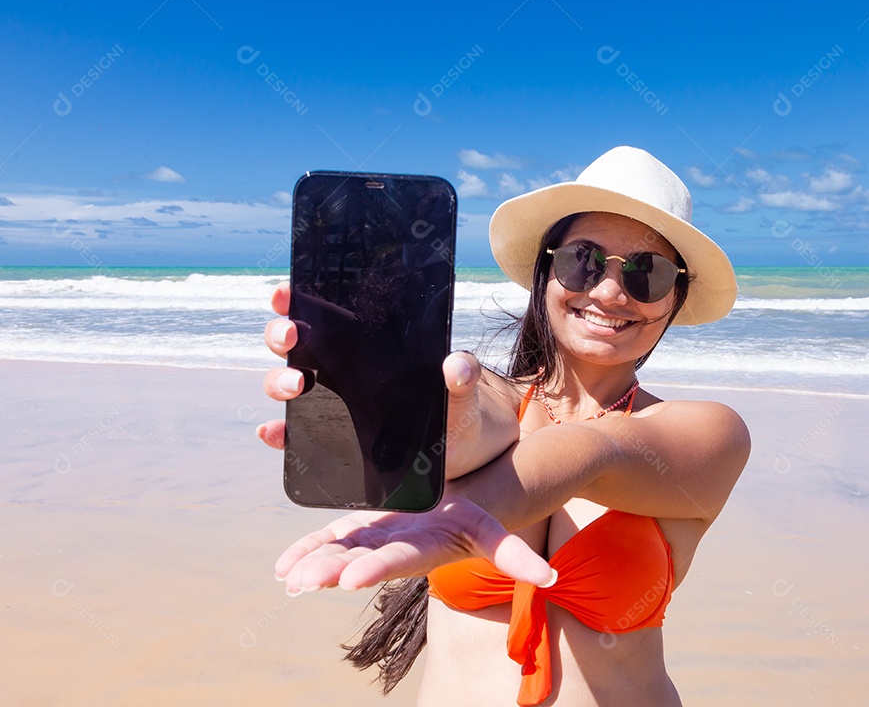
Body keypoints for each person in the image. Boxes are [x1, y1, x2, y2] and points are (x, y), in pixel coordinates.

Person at [256, 146, 751, 706]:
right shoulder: (489, 396)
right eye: (583, 259)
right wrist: (381, 393)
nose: (610, 292)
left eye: (648, 272)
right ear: (546, 271)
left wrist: (467, 515)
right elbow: (467, 425)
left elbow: (595, 451)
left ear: (675, 297)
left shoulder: (709, 433)